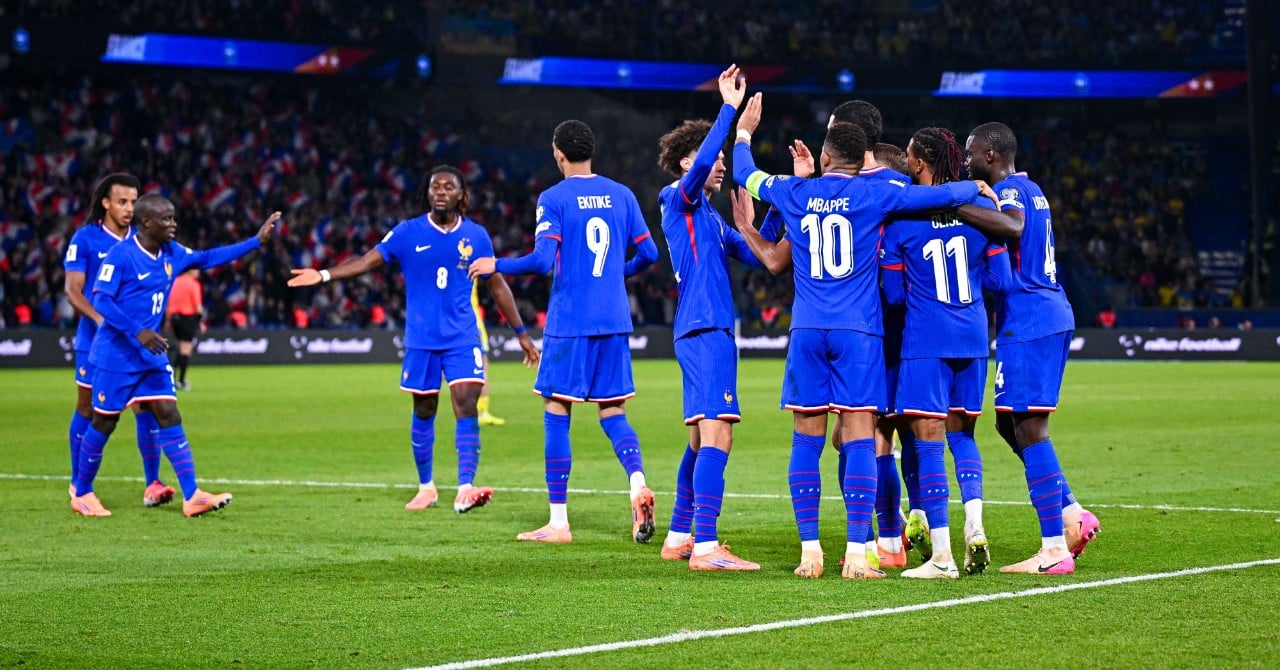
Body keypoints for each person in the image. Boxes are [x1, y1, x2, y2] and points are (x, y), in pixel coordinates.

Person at [732, 92, 996, 579]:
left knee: (806, 440)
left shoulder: (793, 190)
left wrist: (745, 130)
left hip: (808, 328)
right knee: (859, 437)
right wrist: (972, 186)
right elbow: (936, 195)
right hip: (860, 333)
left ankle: (810, 552)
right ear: (861, 161)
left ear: (826, 157)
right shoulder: (879, 193)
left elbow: (745, 173)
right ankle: (858, 552)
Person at [290, 166, 538, 513]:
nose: (440, 191)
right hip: (421, 339)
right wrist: (323, 274)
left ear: (461, 195)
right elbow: (367, 261)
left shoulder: (477, 236)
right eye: (435, 186)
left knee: (466, 401)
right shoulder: (408, 232)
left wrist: (522, 335)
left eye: (448, 187)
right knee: (424, 408)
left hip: (462, 337)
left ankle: (465, 487)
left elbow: (497, 285)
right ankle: (426, 487)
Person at [468, 120, 659, 544]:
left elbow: (540, 261)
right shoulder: (622, 194)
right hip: (613, 319)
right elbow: (650, 253)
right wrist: (617, 275)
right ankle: (637, 483)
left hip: (571, 321)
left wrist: (494, 264)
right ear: (591, 151)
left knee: (557, 413)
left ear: (558, 154)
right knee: (613, 412)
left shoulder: (553, 198)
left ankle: (558, 522)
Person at [69, 195, 278, 517]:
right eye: (166, 219)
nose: (173, 224)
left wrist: (254, 242)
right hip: (117, 355)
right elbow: (103, 301)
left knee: (168, 411)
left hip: (151, 354)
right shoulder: (120, 256)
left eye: (173, 218)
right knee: (105, 421)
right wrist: (138, 330)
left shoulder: (172, 253)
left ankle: (192, 494)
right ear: (146, 223)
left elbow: (207, 257)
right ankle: (82, 493)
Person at [957, 122, 1099, 574]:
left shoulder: (1013, 195)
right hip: (1041, 315)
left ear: (992, 156)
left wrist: (956, 204)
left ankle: (1054, 547)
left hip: (1031, 318)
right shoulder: (1032, 187)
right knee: (1007, 423)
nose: (966, 160)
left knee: (1031, 429)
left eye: (972, 153)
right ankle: (1072, 512)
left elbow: (1014, 228)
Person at [881, 127, 1013, 578]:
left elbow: (895, 296)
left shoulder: (902, 221)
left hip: (925, 340)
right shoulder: (980, 214)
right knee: (963, 437)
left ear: (917, 164)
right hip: (973, 338)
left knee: (929, 443)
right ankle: (974, 525)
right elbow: (1001, 283)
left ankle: (941, 557)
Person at [653, 65, 760, 570]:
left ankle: (679, 535)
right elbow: (697, 175)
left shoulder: (712, 221)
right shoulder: (678, 198)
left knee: (700, 437)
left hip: (701, 329)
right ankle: (708, 546)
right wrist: (729, 113)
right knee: (720, 433)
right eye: (711, 156)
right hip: (705, 329)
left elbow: (763, 254)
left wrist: (761, 218)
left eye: (721, 156)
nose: (720, 164)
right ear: (683, 163)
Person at [62, 173, 175, 509]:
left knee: (148, 406)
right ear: (106, 203)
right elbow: (73, 290)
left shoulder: (144, 240)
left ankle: (152, 482)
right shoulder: (85, 239)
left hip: (135, 344)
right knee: (88, 408)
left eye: (133, 201)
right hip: (95, 342)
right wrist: (101, 320)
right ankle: (78, 483)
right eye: (122, 201)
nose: (129, 208)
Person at [471, 282, 505, 426]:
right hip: (470, 317)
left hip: (447, 316)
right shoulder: (469, 259)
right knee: (482, 365)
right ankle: (482, 412)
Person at [166, 268, 203, 390]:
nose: (198, 272)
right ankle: (181, 381)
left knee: (180, 347)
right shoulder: (193, 284)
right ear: (190, 271)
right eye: (196, 270)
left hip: (175, 318)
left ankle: (172, 379)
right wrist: (200, 322)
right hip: (188, 318)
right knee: (186, 349)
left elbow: (168, 303)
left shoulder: (174, 282)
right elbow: (198, 307)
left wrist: (168, 320)